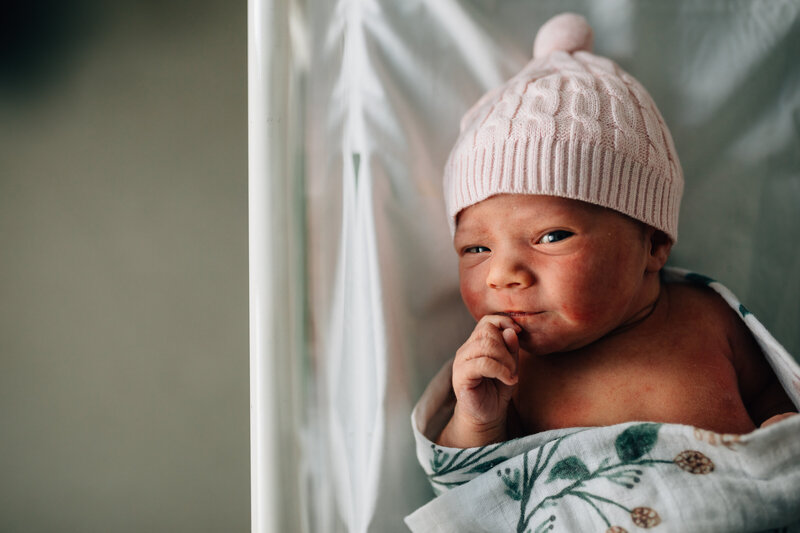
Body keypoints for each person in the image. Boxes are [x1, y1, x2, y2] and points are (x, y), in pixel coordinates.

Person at [434, 13, 797, 449]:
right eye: (476, 247)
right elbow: (470, 492)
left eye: (551, 237)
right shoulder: (508, 369)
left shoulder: (707, 318)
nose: (502, 275)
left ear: (655, 242)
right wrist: (477, 419)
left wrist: (781, 427)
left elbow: (772, 402)